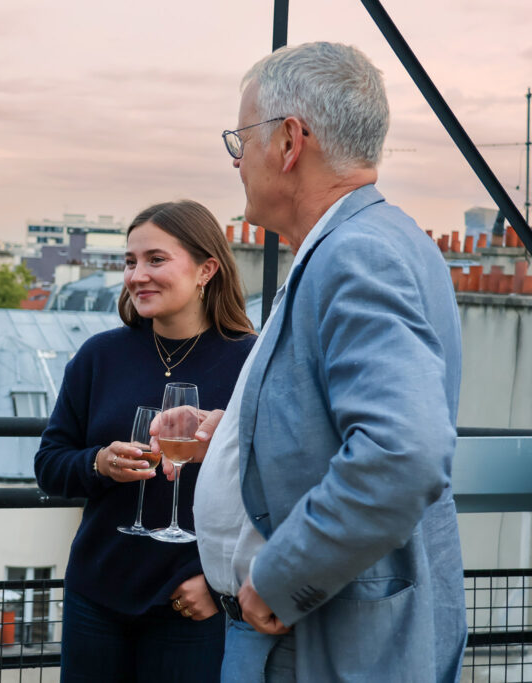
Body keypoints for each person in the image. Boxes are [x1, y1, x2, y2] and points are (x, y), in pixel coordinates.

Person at [188, 42, 466, 681]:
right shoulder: (374, 239)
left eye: (242, 139)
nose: (237, 161)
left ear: (290, 142)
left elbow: (404, 451)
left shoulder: (355, 253)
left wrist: (286, 577)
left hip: (315, 641)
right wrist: (237, 437)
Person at [35, 200, 255, 682]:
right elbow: (49, 465)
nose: (137, 276)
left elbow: (270, 490)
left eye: (156, 260)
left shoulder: (251, 363)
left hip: (190, 603)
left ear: (206, 270)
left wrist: (219, 585)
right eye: (130, 261)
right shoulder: (100, 356)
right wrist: (98, 463)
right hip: (96, 596)